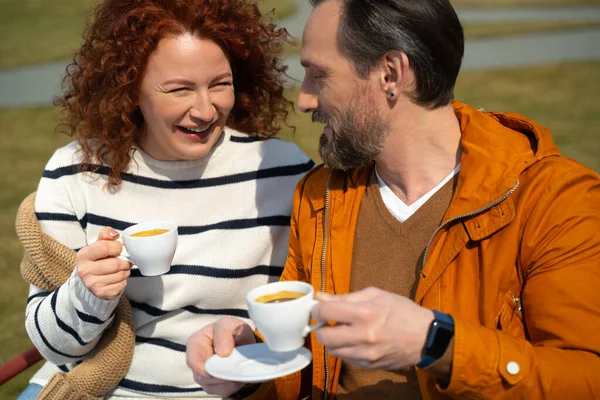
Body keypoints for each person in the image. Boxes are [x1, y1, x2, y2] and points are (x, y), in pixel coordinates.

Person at [185, 0, 600, 399]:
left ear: (390, 74)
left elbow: (586, 380)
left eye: (318, 75)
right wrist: (250, 367)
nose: (305, 100)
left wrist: (437, 344)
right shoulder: (322, 196)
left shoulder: (554, 201)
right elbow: (306, 365)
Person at [17, 0, 314, 398]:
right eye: (179, 89)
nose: (206, 110)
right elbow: (55, 346)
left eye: (220, 84)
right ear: (130, 87)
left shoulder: (282, 171)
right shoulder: (74, 173)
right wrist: (87, 293)